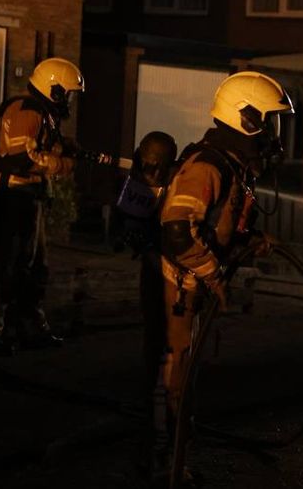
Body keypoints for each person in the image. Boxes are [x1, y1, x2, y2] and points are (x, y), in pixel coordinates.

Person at [157, 71, 293, 479]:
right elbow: (178, 233)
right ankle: (169, 461)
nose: (271, 134)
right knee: (175, 370)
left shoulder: (229, 164)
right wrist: (214, 275)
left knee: (186, 370)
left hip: (194, 283)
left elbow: (216, 222)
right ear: (244, 119)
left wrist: (249, 239)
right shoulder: (208, 167)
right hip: (183, 287)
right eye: (266, 123)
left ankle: (177, 449)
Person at [0, 57, 85, 351]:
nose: (67, 100)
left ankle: (28, 326)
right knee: (11, 265)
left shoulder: (40, 113)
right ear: (52, 88)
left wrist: (63, 146)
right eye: (65, 93)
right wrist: (62, 164)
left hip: (29, 197)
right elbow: (23, 157)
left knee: (34, 267)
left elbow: (36, 147)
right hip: (15, 197)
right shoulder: (26, 110)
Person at [112, 130, 179, 475]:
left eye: (160, 168)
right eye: (148, 166)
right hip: (155, 278)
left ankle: (165, 437)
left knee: (174, 359)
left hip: (176, 277)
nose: (153, 174)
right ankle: (151, 439)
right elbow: (126, 231)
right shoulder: (135, 187)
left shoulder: (180, 187)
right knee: (154, 352)